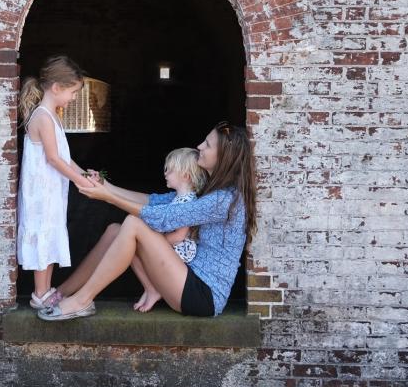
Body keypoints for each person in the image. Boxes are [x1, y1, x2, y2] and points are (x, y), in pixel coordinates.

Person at [38, 122, 256, 320]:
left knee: (133, 224)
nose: (199, 146)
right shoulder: (209, 190)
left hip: (202, 294)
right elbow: (153, 201)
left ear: (223, 156)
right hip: (185, 278)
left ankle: (82, 300)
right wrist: (106, 186)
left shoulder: (225, 199)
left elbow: (163, 218)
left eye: (207, 144)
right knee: (116, 229)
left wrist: (109, 197)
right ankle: (61, 293)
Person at [17, 55, 99, 310]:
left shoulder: (52, 116)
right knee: (43, 236)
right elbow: (53, 159)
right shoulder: (42, 116)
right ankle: (40, 294)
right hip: (41, 193)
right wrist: (78, 181)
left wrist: (85, 176)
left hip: (51, 191)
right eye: (73, 92)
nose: (73, 98)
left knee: (50, 236)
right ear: (56, 88)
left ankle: (46, 289)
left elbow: (65, 158)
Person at [129, 147, 206, 313]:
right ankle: (151, 288)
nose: (165, 173)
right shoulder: (178, 198)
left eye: (170, 170)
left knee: (135, 246)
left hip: (179, 253)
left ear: (185, 176)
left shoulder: (188, 202)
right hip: (172, 248)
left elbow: (180, 235)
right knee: (130, 247)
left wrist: (155, 244)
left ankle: (153, 289)